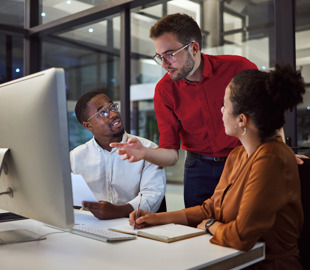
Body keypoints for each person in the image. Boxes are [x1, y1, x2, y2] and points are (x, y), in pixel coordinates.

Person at [129, 64, 305, 269]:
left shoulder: (271, 159)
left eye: (225, 104)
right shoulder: (237, 155)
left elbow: (240, 237)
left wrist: (212, 225)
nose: (221, 110)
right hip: (233, 259)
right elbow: (211, 208)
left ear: (241, 120)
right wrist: (155, 218)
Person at [111, 13, 257, 208]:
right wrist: (145, 152)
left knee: (242, 227)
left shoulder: (238, 68)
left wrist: (276, 151)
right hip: (198, 169)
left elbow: (266, 115)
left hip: (242, 160)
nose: (164, 65)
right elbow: (171, 155)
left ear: (194, 48)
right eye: (159, 57)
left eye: (170, 54)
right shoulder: (164, 91)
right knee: (197, 230)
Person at [70, 91, 166, 220]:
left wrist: (117, 211)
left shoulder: (148, 149)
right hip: (91, 223)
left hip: (135, 223)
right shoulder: (75, 157)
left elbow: (152, 196)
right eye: (103, 112)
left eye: (112, 107)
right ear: (88, 125)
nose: (114, 114)